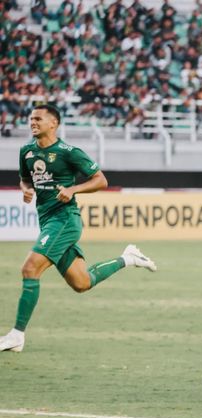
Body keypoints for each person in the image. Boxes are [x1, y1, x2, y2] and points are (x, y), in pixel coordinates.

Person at [0, 104, 157, 353]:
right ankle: (128, 259)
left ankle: (17, 335)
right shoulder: (26, 151)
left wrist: (73, 189)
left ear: (54, 123)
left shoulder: (68, 152)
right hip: (47, 220)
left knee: (30, 268)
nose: (33, 122)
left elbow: (101, 180)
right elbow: (25, 178)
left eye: (38, 119)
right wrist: (25, 190)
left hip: (65, 220)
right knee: (82, 283)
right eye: (31, 119)